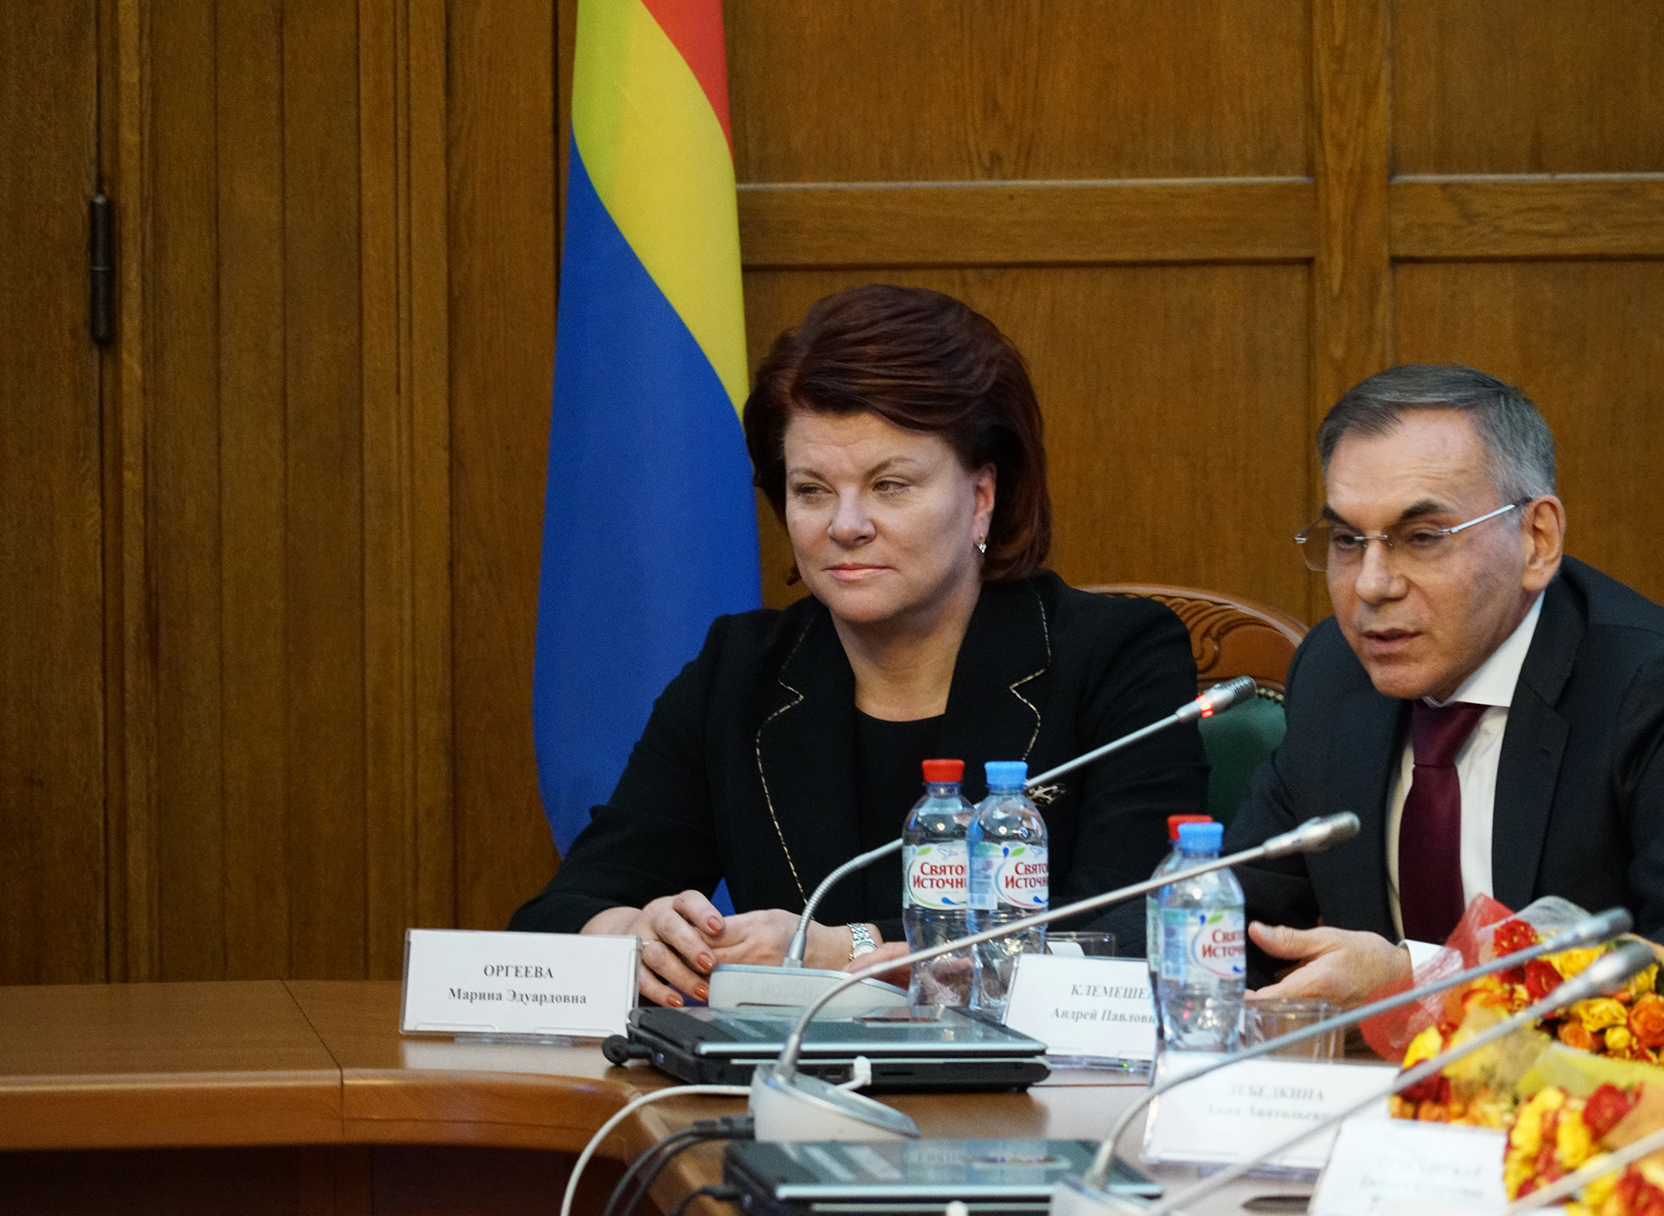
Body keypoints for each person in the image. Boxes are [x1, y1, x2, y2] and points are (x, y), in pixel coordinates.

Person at [511, 284, 1208, 1006]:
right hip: (789, 1072)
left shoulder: (1115, 657)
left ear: (982, 496)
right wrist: (634, 935)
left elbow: (1137, 929)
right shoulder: (741, 674)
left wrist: (846, 948)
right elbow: (558, 915)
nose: (845, 525)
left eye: (889, 485)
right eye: (812, 490)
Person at [1226, 364, 1664, 1012]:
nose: (1372, 585)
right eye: (1347, 540)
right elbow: (1231, 922)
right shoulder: (1335, 673)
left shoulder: (1656, 688)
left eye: (1422, 538)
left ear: (1537, 540)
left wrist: (1422, 981)